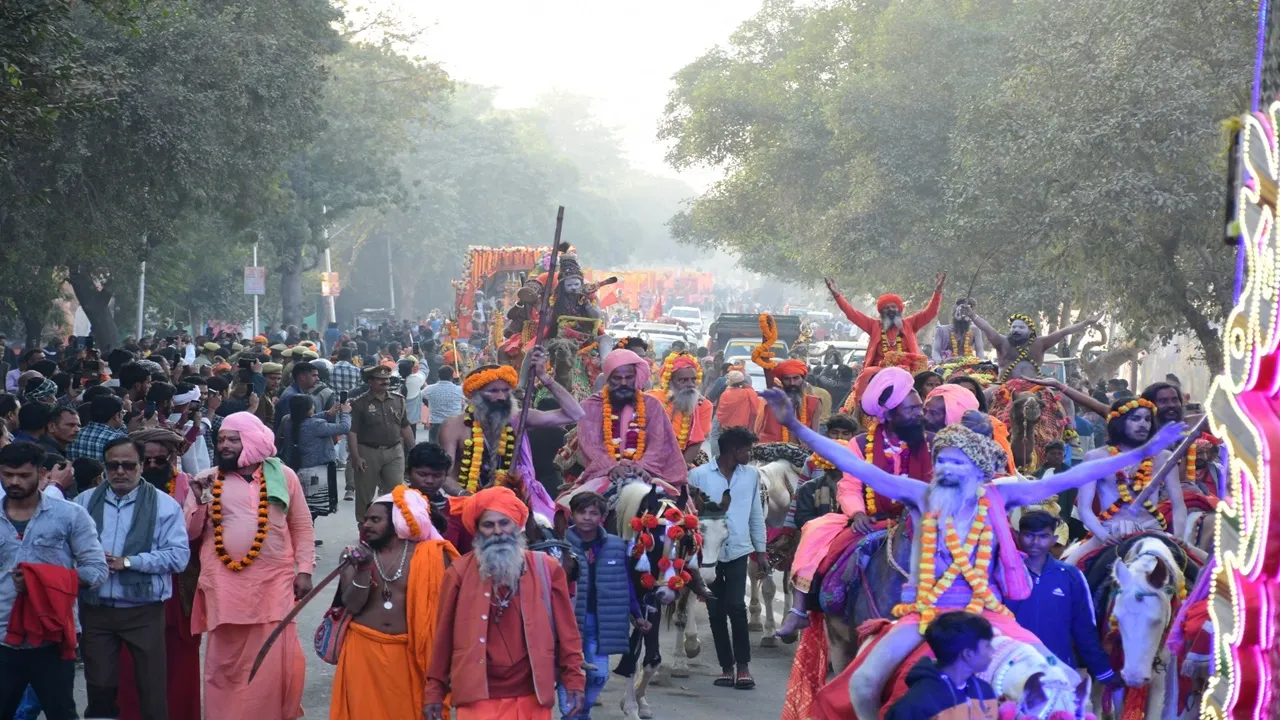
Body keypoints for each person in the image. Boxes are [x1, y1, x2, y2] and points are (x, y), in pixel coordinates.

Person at [766, 393, 1184, 720]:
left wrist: (1147, 450)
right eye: (941, 460)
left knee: (1056, 677)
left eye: (955, 462)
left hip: (987, 614)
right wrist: (795, 425)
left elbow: (1080, 474)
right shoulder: (922, 495)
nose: (945, 468)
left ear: (979, 471)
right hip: (924, 615)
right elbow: (852, 464)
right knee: (861, 685)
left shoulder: (1000, 495)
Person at [775, 367, 934, 640]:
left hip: (923, 521)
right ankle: (799, 610)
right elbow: (849, 485)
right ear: (890, 413)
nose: (919, 413)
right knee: (816, 531)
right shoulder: (861, 443)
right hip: (872, 519)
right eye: (911, 410)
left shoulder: (932, 442)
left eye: (920, 407)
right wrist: (857, 512)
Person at [184, 412, 315, 720]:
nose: (224, 446)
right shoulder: (207, 479)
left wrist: (305, 568)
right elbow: (189, 534)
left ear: (253, 441)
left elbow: (301, 524)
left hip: (274, 582)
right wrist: (199, 499)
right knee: (225, 665)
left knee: (271, 662)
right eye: (221, 440)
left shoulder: (283, 477)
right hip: (224, 585)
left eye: (233, 439)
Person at [425, 487, 587, 720]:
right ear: (477, 531)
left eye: (505, 523)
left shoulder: (547, 568)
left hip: (533, 694)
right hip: (477, 697)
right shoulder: (458, 573)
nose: (498, 531)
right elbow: (443, 637)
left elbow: (568, 632)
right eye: (488, 525)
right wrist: (434, 690)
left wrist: (574, 679)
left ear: (517, 526)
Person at [75, 436, 190, 720]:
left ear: (141, 466)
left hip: (144, 611)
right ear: (105, 468)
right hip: (96, 608)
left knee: (151, 689)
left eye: (128, 465)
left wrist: (129, 562)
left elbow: (178, 557)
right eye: (113, 465)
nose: (120, 472)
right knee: (99, 688)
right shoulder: (83, 503)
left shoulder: (164, 506)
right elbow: (65, 550)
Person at [0, 442, 108, 720]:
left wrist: (42, 582)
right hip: (1, 638)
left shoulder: (70, 515)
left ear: (41, 473)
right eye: (7, 474)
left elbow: (96, 571)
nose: (13, 481)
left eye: (23, 475)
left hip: (52, 639)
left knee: (61, 712)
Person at [329, 489, 458, 720]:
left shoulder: (431, 555)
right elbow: (353, 605)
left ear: (397, 522)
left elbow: (449, 614)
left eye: (375, 519)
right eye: (366, 519)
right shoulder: (353, 555)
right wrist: (363, 569)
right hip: (363, 652)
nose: (366, 524)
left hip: (410, 655)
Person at [439, 350, 583, 517]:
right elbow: (444, 475)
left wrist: (544, 377)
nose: (501, 397)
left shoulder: (519, 420)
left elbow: (575, 414)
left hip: (511, 506)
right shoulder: (454, 426)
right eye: (493, 391)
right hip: (466, 507)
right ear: (475, 395)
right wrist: (468, 497)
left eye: (506, 390)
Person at [1061, 398, 1188, 566]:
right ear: (1119, 422)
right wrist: (1104, 536)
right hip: (1108, 532)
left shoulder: (1164, 457)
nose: (1143, 424)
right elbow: (1084, 509)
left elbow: (1178, 504)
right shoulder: (1096, 457)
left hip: (1153, 531)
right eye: (1135, 418)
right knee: (1066, 571)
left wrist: (1178, 537)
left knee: (1204, 572)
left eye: (1147, 419)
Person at [689, 426, 767, 689]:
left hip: (738, 550)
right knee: (715, 610)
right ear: (734, 451)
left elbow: (756, 513)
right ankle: (726, 668)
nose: (750, 453)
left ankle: (743, 667)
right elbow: (689, 518)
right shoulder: (697, 476)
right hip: (707, 554)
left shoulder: (752, 476)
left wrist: (762, 550)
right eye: (747, 449)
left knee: (736, 606)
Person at [1004, 511, 1117, 689]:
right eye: (1029, 535)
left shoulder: (1071, 576)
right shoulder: (1003, 573)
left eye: (1043, 536)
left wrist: (1103, 671)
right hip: (1010, 667)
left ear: (1054, 539)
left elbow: (1084, 628)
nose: (1035, 542)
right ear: (1018, 536)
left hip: (1059, 668)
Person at [567, 349, 688, 501]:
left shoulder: (651, 405)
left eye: (629, 377)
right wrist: (611, 466)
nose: (623, 382)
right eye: (617, 378)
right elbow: (590, 445)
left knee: (675, 512)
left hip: (646, 472)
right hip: (604, 473)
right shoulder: (591, 406)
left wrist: (643, 466)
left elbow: (659, 443)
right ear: (608, 379)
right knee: (566, 508)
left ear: (636, 377)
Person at [561, 491, 641, 718]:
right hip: (570, 622)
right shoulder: (561, 544)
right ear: (572, 515)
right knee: (571, 672)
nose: (587, 517)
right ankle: (573, 714)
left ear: (602, 517)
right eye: (581, 512)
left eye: (593, 513)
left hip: (603, 621)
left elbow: (626, 583)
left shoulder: (616, 545)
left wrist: (638, 614)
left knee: (599, 675)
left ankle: (580, 711)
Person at [883, 611, 999, 720]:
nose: (992, 651)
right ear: (968, 654)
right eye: (987, 646)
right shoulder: (915, 705)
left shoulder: (985, 691)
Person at [824, 273, 945, 369]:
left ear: (899, 309)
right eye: (887, 308)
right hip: (879, 370)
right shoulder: (873, 325)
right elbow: (852, 313)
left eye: (893, 307)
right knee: (865, 379)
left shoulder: (910, 323)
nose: (891, 310)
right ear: (882, 312)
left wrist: (938, 292)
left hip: (908, 369)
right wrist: (837, 295)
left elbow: (930, 312)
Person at [347, 365, 416, 521]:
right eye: (380, 380)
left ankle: (393, 527)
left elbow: (405, 426)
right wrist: (356, 457)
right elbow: (352, 432)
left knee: (397, 492)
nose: (385, 382)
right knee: (365, 495)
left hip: (394, 452)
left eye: (387, 379)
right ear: (370, 381)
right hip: (368, 452)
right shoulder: (359, 403)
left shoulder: (398, 400)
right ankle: (364, 529)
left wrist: (414, 450)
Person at [278, 393, 351, 538]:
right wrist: (346, 413)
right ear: (309, 409)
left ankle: (304, 535)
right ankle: (305, 537)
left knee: (302, 506)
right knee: (311, 510)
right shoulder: (316, 425)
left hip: (296, 469)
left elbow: (307, 419)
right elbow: (343, 428)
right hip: (316, 472)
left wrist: (328, 413)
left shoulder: (287, 420)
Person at [965, 309, 1101, 382]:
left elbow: (1064, 331)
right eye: (1014, 327)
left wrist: (1085, 323)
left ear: (1030, 331)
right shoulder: (1002, 342)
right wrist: (972, 315)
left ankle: (1069, 432)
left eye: (1021, 327)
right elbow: (987, 329)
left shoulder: (1040, 343)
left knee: (1066, 401)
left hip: (1036, 386)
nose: (1016, 330)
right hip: (1003, 386)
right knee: (985, 397)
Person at [647, 353, 714, 467]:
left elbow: (696, 443)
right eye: (683, 380)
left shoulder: (703, 405)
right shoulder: (652, 399)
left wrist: (678, 468)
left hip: (683, 460)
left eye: (693, 380)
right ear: (670, 382)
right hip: (649, 458)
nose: (690, 385)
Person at [756, 359, 821, 445]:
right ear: (782, 381)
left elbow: (815, 434)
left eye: (796, 378)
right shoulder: (775, 400)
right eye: (787, 379)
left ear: (803, 379)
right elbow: (770, 383)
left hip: (802, 452)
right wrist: (765, 360)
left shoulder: (814, 403)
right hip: (774, 450)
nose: (792, 383)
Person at [274, 360, 336, 429]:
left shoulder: (299, 392)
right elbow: (297, 425)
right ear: (303, 377)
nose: (318, 379)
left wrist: (328, 413)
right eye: (314, 375)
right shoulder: (292, 396)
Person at [67, 395, 128, 462]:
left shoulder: (73, 435)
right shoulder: (117, 439)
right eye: (123, 412)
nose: (123, 417)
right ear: (117, 416)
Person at [931, 297, 987, 364]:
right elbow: (935, 351)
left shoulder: (975, 330)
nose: (963, 316)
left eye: (967, 313)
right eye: (960, 313)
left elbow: (980, 351)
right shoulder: (942, 330)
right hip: (946, 365)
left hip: (968, 366)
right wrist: (940, 363)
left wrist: (980, 365)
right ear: (954, 313)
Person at [423, 365, 464, 443]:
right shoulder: (459, 390)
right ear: (452, 376)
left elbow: (420, 396)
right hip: (453, 423)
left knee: (434, 449)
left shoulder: (429, 389)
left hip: (435, 423)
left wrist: (429, 404)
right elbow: (470, 398)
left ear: (438, 376)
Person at [400, 358, 427, 430]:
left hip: (397, 419)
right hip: (411, 420)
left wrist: (405, 356)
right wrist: (422, 357)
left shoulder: (394, 379)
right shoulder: (417, 379)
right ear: (412, 369)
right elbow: (424, 371)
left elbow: (396, 368)